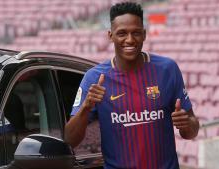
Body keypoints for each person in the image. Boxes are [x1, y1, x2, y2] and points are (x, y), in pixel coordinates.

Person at [65, 2, 199, 169]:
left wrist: (186, 124)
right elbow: (70, 140)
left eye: (136, 33)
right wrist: (86, 107)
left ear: (144, 34)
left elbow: (191, 131)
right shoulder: (94, 78)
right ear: (110, 35)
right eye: (122, 33)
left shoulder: (167, 69)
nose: (129, 40)